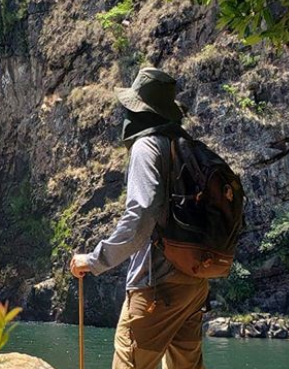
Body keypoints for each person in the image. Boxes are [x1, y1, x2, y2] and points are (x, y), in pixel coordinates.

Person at [70, 68, 209, 369]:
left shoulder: (148, 146)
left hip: (156, 286)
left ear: (140, 112)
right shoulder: (189, 148)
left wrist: (94, 260)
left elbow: (141, 215)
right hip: (194, 281)